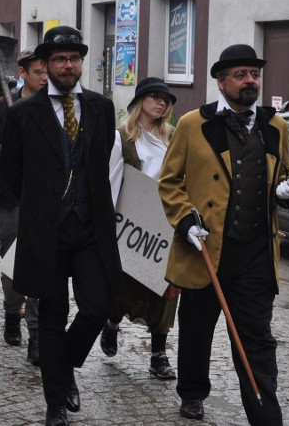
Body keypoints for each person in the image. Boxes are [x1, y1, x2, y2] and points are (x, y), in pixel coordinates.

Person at [158, 44, 289, 424]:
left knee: (257, 339)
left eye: (254, 74)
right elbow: (169, 182)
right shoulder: (193, 125)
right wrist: (185, 221)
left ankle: (265, 414)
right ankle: (191, 391)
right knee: (196, 328)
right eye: (240, 74)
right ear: (221, 83)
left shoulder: (276, 127)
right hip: (205, 248)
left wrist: (286, 191)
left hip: (255, 252)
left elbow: (280, 175)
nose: (250, 80)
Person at [1, 26, 122, 426]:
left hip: (90, 228)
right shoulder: (24, 113)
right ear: (45, 65)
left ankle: (64, 365)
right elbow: (13, 173)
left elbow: (100, 161)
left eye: (73, 59)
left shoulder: (101, 108)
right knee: (51, 317)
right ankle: (55, 401)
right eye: (59, 59)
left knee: (97, 307)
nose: (67, 65)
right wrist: (40, 210)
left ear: (80, 63)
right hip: (46, 232)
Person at [104, 77, 180, 380]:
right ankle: (111, 323)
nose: (161, 102)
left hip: (165, 221)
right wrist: (108, 224)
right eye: (154, 96)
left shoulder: (173, 137)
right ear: (140, 101)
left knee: (166, 289)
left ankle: (159, 353)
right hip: (131, 221)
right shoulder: (122, 137)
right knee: (125, 287)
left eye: (165, 98)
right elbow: (111, 182)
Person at [0, 47, 47, 362]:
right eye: (39, 71)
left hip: (45, 200)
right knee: (12, 264)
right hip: (11, 197)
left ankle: (36, 333)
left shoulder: (55, 106)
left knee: (41, 267)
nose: (46, 77)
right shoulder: (2, 109)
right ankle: (11, 310)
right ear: (22, 72)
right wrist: (14, 147)